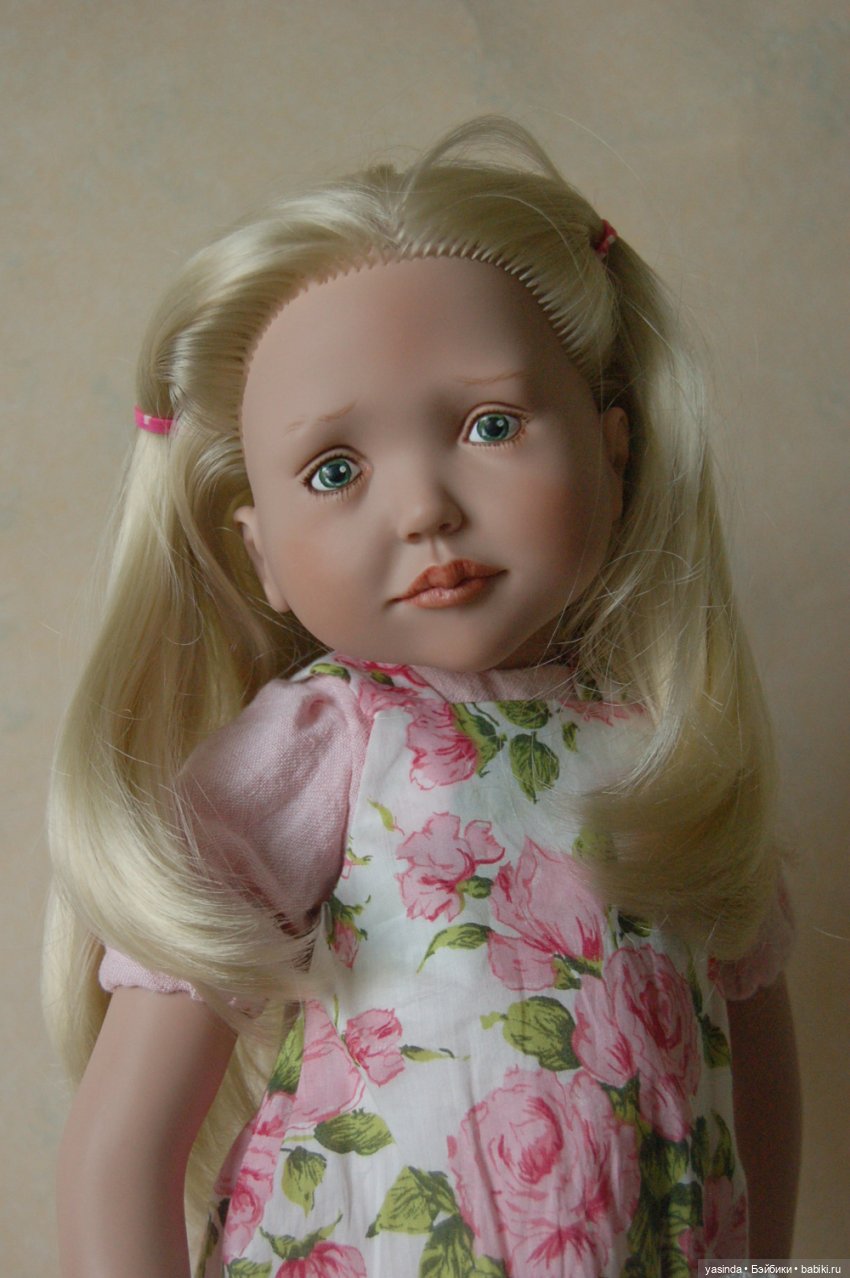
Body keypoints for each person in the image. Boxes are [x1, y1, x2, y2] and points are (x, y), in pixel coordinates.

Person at [46, 117, 801, 1276]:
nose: (424, 509)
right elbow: (121, 1152)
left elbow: (759, 1098)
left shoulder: (670, 757)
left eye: (489, 426)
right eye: (334, 471)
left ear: (614, 451)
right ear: (261, 554)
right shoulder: (329, 745)